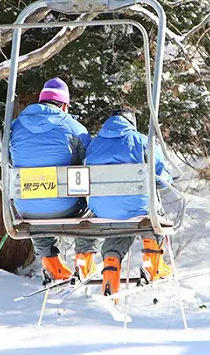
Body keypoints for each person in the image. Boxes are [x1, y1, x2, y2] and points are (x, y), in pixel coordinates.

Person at [10, 77, 98, 282]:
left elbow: (8, 157)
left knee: (37, 205)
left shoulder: (15, 126)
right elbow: (90, 159)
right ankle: (84, 259)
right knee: (93, 205)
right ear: (64, 105)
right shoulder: (73, 127)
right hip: (65, 206)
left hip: (25, 206)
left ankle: (50, 262)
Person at [84, 108, 173, 299]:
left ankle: (110, 272)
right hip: (137, 208)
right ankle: (152, 263)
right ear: (131, 122)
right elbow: (162, 176)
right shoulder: (141, 141)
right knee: (152, 220)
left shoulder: (94, 144)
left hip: (102, 209)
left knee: (119, 228)